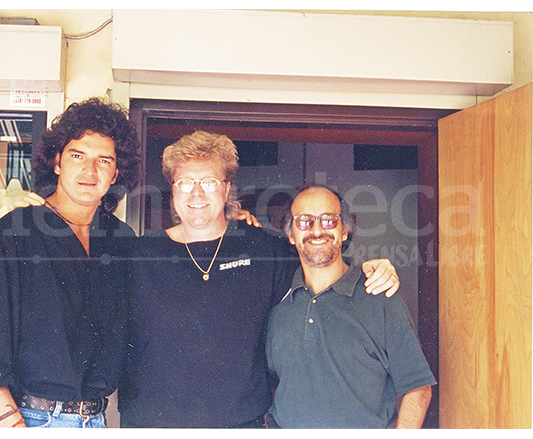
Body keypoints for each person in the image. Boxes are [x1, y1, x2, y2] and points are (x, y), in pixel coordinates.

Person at [118, 131, 401, 428]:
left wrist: (372, 268)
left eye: (210, 182)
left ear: (226, 189)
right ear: (173, 190)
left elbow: (323, 265)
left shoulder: (264, 248)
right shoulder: (138, 255)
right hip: (151, 424)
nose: (197, 194)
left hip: (240, 424)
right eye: (185, 182)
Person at [0, 97, 140, 428]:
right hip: (31, 419)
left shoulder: (122, 240)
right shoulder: (14, 233)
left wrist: (233, 222)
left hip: (96, 421)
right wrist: (12, 426)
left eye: (104, 160)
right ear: (57, 162)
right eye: (77, 155)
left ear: (116, 174)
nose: (89, 170)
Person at [265, 184, 435, 429]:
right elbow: (272, 386)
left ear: (345, 230)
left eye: (329, 220)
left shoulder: (379, 297)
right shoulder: (277, 304)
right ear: (291, 235)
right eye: (304, 221)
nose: (316, 230)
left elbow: (418, 389)